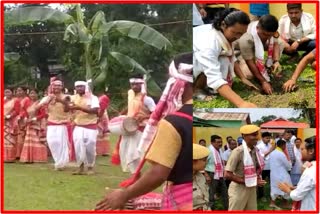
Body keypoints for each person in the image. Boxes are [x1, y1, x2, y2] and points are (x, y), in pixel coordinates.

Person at [95, 53, 193, 211]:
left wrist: (124, 195)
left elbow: (159, 174)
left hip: (184, 200)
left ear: (178, 83)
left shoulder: (174, 122)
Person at [193, 9, 256, 107]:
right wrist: (241, 103)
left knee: (224, 59)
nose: (238, 37)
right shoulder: (209, 44)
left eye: (241, 34)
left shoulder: (225, 35)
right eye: (235, 32)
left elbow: (232, 56)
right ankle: (197, 90)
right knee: (220, 61)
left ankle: (209, 87)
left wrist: (243, 78)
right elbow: (215, 78)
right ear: (223, 25)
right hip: (188, 62)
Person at [111, 74, 156, 174]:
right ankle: (135, 175)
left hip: (140, 129)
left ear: (142, 84)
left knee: (133, 154)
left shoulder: (147, 99)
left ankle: (136, 176)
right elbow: (130, 106)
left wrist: (144, 117)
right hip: (128, 129)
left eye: (137, 84)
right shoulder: (130, 94)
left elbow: (156, 113)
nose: (134, 87)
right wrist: (122, 113)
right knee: (125, 151)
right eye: (132, 84)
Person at [235, 15, 282, 95]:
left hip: (257, 46)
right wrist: (263, 81)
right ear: (257, 28)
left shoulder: (270, 30)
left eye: (269, 35)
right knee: (248, 74)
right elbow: (250, 62)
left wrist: (276, 61)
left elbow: (276, 43)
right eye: (264, 34)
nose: (266, 37)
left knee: (281, 43)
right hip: (240, 51)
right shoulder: (246, 38)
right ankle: (238, 66)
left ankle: (270, 67)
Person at [225, 125, 266, 210]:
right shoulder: (238, 152)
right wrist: (250, 181)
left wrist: (254, 181)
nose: (256, 138)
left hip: (251, 188)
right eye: (253, 135)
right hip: (239, 189)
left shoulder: (256, 150)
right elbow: (227, 174)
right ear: (244, 136)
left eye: (257, 135)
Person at [38, 78, 71, 170]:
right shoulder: (47, 97)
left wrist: (58, 100)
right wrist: (45, 102)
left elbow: (67, 109)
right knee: (52, 142)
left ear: (62, 87)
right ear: (52, 86)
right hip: (51, 123)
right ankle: (58, 161)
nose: (57, 87)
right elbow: (36, 108)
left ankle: (61, 164)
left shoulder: (67, 97)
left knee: (62, 144)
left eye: (59, 85)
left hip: (63, 124)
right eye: (55, 85)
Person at [69, 81, 100, 175]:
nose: (79, 89)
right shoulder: (73, 97)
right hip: (78, 126)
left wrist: (79, 108)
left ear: (86, 87)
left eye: (81, 87)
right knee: (78, 147)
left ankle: (90, 167)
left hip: (90, 126)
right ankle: (80, 167)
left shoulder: (93, 98)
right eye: (77, 87)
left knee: (90, 147)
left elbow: (95, 111)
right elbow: (67, 108)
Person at [278, 136, 316, 211]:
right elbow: (312, 186)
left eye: (302, 149)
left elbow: (297, 196)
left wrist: (287, 190)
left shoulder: (311, 171)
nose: (300, 151)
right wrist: (296, 188)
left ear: (311, 150)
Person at [19, 88, 48, 163]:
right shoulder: (27, 103)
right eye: (31, 93)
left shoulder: (40, 103)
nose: (32, 95)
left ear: (37, 94)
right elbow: (25, 111)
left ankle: (39, 158)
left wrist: (35, 119)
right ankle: (28, 158)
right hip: (29, 123)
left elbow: (43, 114)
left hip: (38, 124)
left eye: (34, 93)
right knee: (29, 141)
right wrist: (25, 118)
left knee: (38, 141)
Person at [205, 135, 228, 210]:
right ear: (212, 142)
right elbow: (202, 164)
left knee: (225, 192)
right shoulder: (208, 151)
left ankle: (227, 209)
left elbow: (222, 162)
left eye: (221, 142)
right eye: (218, 142)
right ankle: (211, 209)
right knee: (211, 193)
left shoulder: (220, 150)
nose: (220, 144)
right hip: (211, 174)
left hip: (220, 174)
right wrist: (206, 175)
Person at [269, 139, 292, 210]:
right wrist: (290, 164)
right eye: (285, 145)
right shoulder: (281, 154)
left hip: (274, 174)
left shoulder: (272, 153)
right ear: (283, 145)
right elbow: (288, 166)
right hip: (282, 174)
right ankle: (284, 203)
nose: (285, 147)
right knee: (286, 186)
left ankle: (272, 203)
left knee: (275, 188)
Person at [4, 87, 21, 162]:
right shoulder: (3, 100)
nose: (7, 94)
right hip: (3, 122)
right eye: (6, 92)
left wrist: (10, 116)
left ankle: (10, 157)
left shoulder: (15, 101)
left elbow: (17, 111)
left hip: (11, 122)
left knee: (10, 140)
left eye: (8, 92)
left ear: (12, 92)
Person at [256, 132, 275, 200]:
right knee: (261, 182)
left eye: (269, 138)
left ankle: (272, 196)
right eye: (267, 138)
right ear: (262, 138)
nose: (268, 139)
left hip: (270, 166)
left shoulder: (270, 145)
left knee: (272, 181)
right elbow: (261, 156)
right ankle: (261, 196)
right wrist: (270, 150)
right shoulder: (259, 146)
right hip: (263, 167)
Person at [193, 143, 210, 210]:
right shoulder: (179, 181)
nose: (206, 163)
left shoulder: (200, 176)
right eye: (204, 160)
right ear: (193, 161)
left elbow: (205, 200)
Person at [15, 86, 31, 159]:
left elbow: (27, 110)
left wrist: (21, 116)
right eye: (17, 91)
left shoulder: (27, 99)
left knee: (22, 137)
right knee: (17, 137)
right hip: (16, 119)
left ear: (24, 91)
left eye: (20, 90)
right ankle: (17, 154)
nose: (18, 92)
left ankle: (22, 154)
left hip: (23, 119)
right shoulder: (17, 99)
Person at [96, 88, 111, 156]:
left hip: (101, 116)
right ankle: (102, 151)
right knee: (101, 134)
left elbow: (102, 109)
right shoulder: (96, 98)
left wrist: (99, 117)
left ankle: (104, 151)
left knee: (103, 134)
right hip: (101, 115)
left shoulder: (103, 97)